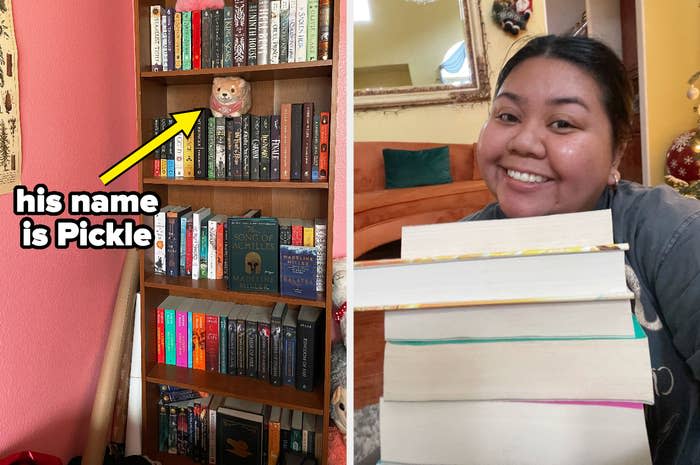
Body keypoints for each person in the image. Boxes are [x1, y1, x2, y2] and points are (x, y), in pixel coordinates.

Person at [466, 34, 700, 464]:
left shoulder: (674, 234)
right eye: (507, 115)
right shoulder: (454, 255)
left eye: (562, 124)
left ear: (617, 153)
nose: (523, 142)